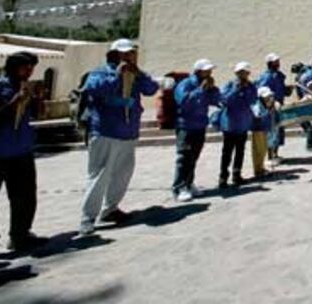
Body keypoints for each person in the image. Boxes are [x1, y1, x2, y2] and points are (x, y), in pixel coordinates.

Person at [78, 39, 159, 236]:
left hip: (127, 131)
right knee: (100, 175)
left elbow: (151, 89)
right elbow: (96, 90)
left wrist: (138, 73)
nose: (129, 57)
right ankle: (88, 217)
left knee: (123, 172)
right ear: (114, 55)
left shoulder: (136, 74)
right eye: (125, 54)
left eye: (131, 53)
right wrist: (117, 75)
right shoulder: (99, 73)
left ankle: (111, 208)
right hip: (105, 130)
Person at [0, 51, 45, 261]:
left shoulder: (25, 89)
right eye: (25, 67)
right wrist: (13, 103)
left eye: (31, 67)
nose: (29, 71)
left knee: (25, 197)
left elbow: (36, 115)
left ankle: (20, 234)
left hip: (21, 151)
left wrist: (37, 99)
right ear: (13, 68)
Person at [171, 59, 220, 202]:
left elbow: (215, 100)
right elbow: (184, 102)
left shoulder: (204, 85)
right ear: (198, 71)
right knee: (184, 157)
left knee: (194, 157)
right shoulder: (186, 84)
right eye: (207, 70)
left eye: (210, 70)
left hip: (200, 126)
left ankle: (188, 183)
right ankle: (179, 188)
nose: (210, 73)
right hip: (186, 126)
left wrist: (212, 90)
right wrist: (201, 90)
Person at [218, 62, 257, 188]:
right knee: (227, 152)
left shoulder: (251, 86)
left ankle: (237, 174)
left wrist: (246, 89)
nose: (242, 75)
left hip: (242, 124)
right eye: (240, 72)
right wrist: (236, 89)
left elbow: (253, 100)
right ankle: (223, 177)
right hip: (230, 124)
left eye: (244, 72)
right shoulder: (230, 85)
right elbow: (224, 101)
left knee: (240, 151)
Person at [256, 54, 288, 161]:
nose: (278, 64)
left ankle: (275, 153)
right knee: (271, 130)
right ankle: (270, 155)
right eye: (275, 62)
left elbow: (282, 89)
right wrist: (269, 103)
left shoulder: (279, 75)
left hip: (279, 104)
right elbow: (263, 91)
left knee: (278, 130)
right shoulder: (266, 77)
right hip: (270, 107)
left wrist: (287, 90)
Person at [251, 87, 277, 178]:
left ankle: (261, 167)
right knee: (258, 150)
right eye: (266, 96)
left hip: (264, 128)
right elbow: (257, 115)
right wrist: (267, 111)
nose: (268, 97)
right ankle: (257, 169)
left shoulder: (266, 104)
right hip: (258, 129)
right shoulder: (257, 105)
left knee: (263, 149)